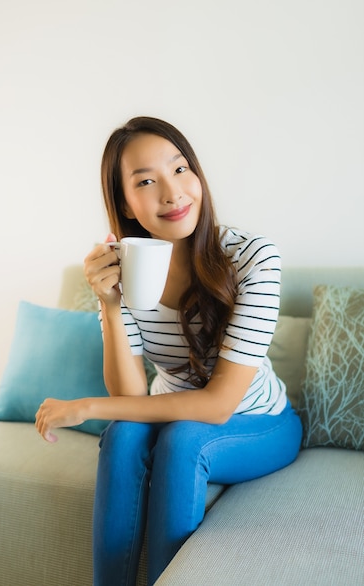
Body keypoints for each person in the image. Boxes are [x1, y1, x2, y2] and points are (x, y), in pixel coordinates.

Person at [35, 116, 303, 586]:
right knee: (122, 437)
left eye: (180, 170)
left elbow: (218, 407)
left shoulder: (254, 257)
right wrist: (111, 304)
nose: (173, 193)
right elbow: (132, 396)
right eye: (145, 180)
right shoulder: (127, 268)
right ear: (126, 202)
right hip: (167, 412)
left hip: (260, 422)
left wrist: (85, 407)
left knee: (184, 438)